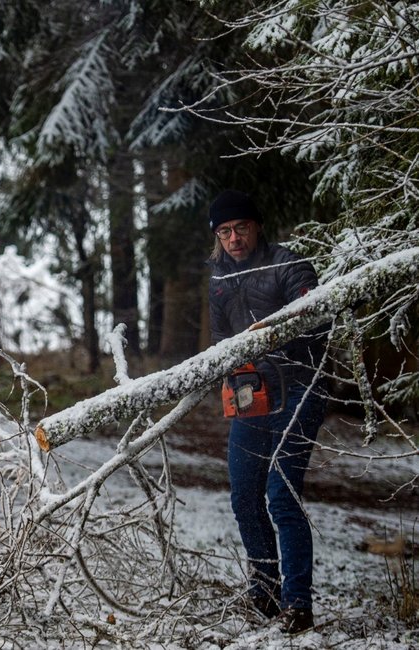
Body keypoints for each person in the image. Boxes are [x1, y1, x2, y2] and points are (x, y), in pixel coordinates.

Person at [207, 189, 326, 635]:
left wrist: (270, 336)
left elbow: (315, 315)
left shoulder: (288, 263)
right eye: (224, 232)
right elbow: (220, 340)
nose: (234, 238)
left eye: (240, 228)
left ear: (256, 226)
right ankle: (265, 590)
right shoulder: (218, 278)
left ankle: (298, 603)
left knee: (281, 493)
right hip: (248, 396)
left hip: (299, 389)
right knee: (243, 495)